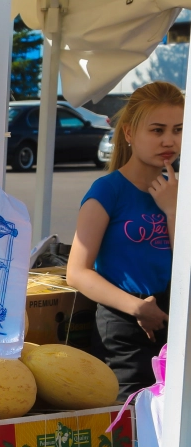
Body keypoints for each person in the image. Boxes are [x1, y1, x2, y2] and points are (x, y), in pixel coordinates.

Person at [67, 81, 182, 399]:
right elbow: (77, 272)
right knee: (129, 426)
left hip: (174, 321)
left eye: (178, 129)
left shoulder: (179, 191)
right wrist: (136, 308)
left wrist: (173, 211)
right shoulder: (108, 190)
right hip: (123, 328)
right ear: (130, 133)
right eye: (157, 130)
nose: (169, 141)